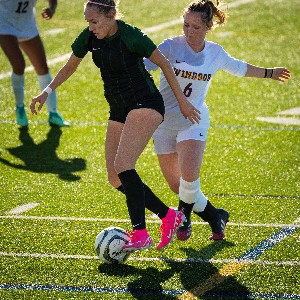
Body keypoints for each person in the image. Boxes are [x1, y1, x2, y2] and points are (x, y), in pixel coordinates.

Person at [30, 0, 202, 252]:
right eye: (87, 22)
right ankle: (168, 216)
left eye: (94, 21)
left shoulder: (131, 36)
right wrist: (46, 92)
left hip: (145, 102)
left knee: (124, 165)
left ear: (111, 16)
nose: (90, 27)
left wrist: (183, 103)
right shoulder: (89, 37)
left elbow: (164, 64)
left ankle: (141, 233)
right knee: (114, 176)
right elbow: (70, 66)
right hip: (118, 108)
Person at [144, 0, 291, 241]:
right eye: (186, 25)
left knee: (189, 179)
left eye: (196, 27)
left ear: (208, 27)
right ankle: (215, 216)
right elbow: (144, 67)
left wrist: (269, 73)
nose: (189, 31)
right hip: (163, 123)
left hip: (194, 120)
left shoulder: (215, 53)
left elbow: (240, 68)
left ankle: (184, 219)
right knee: (178, 186)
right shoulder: (170, 46)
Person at [0, 0, 69, 127]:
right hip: (4, 25)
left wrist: (51, 9)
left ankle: (53, 113)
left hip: (27, 24)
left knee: (42, 67)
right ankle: (20, 107)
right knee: (19, 65)